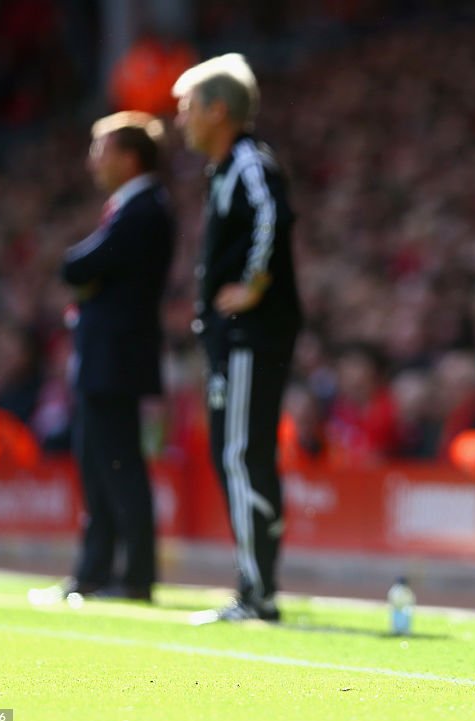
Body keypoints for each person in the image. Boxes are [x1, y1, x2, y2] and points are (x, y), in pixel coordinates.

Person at [173, 54, 302, 623]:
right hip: (233, 339)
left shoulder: (250, 161)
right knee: (237, 453)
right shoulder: (223, 168)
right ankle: (254, 586)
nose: (180, 120)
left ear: (217, 110)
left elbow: (273, 214)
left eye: (187, 107)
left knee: (243, 453)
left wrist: (253, 284)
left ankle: (257, 594)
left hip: (253, 334)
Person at [60, 111, 175, 602]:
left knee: (117, 465)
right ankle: (95, 573)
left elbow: (79, 264)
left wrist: (85, 278)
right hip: (107, 359)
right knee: (97, 464)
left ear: (129, 158)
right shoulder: (133, 209)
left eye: (99, 150)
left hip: (115, 360)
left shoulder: (145, 209)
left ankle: (133, 576)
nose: (92, 163)